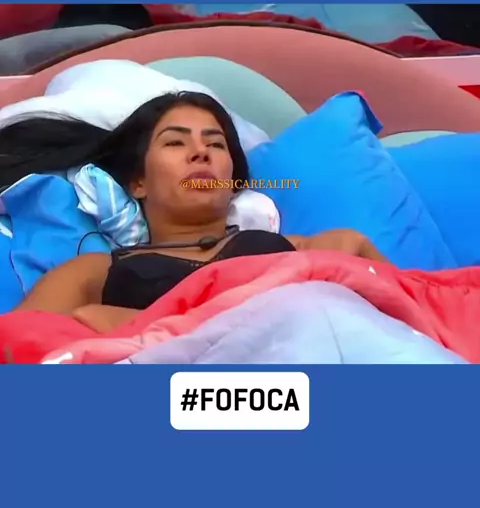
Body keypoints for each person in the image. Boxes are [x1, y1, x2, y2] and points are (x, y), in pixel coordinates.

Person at [0, 91, 389, 334]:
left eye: (216, 145)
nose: (201, 152)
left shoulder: (314, 248)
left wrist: (112, 321)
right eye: (175, 143)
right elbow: (20, 344)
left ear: (233, 181)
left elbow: (406, 313)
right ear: (139, 183)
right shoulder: (92, 273)